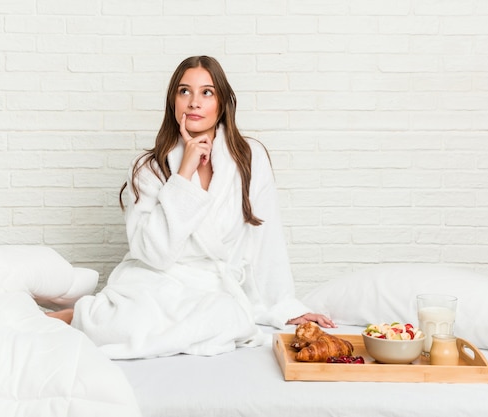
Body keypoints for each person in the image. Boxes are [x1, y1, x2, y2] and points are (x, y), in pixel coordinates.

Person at [48, 55, 334, 359]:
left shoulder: (250, 158)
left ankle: (105, 322)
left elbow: (267, 241)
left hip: (211, 290)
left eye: (206, 92)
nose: (194, 102)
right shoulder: (149, 168)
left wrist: (285, 306)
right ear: (173, 102)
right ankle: (76, 316)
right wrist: (183, 175)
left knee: (230, 315)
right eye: (184, 91)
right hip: (156, 281)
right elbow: (154, 254)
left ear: (222, 104)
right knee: (131, 321)